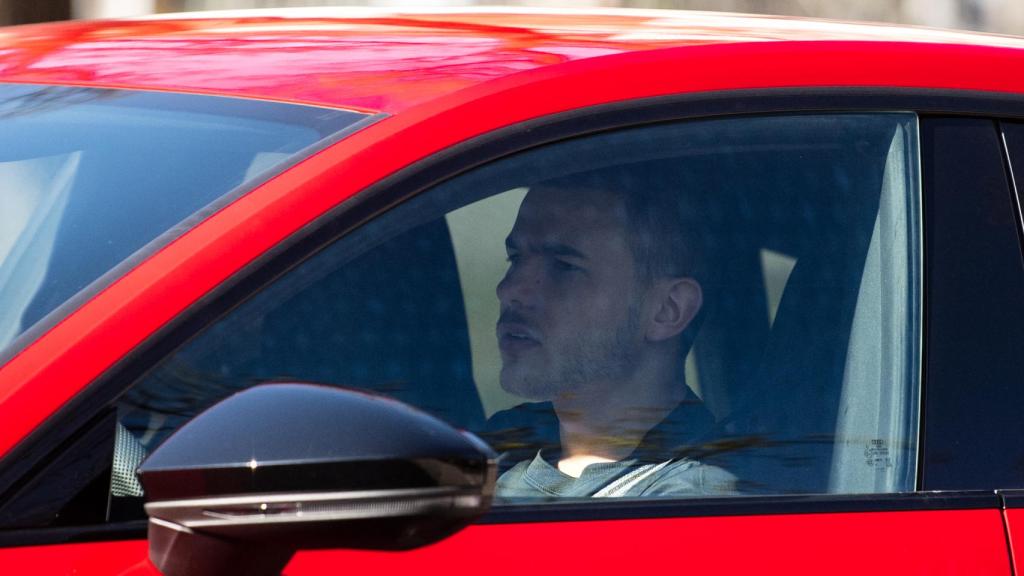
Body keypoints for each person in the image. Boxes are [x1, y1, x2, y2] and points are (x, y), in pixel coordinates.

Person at [490, 168, 735, 499]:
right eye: (515, 257)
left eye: (564, 267)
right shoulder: (497, 445)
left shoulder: (688, 504)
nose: (509, 289)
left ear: (667, 309)